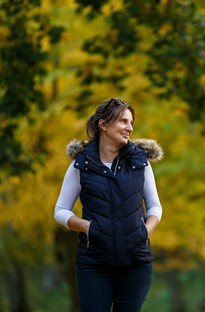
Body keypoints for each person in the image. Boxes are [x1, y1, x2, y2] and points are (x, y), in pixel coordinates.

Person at [54, 97, 163, 312]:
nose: (129, 128)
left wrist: (145, 231)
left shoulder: (140, 161)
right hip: (94, 263)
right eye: (123, 121)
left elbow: (155, 206)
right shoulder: (82, 163)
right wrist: (87, 227)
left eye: (131, 122)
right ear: (103, 124)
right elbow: (60, 211)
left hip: (136, 263)